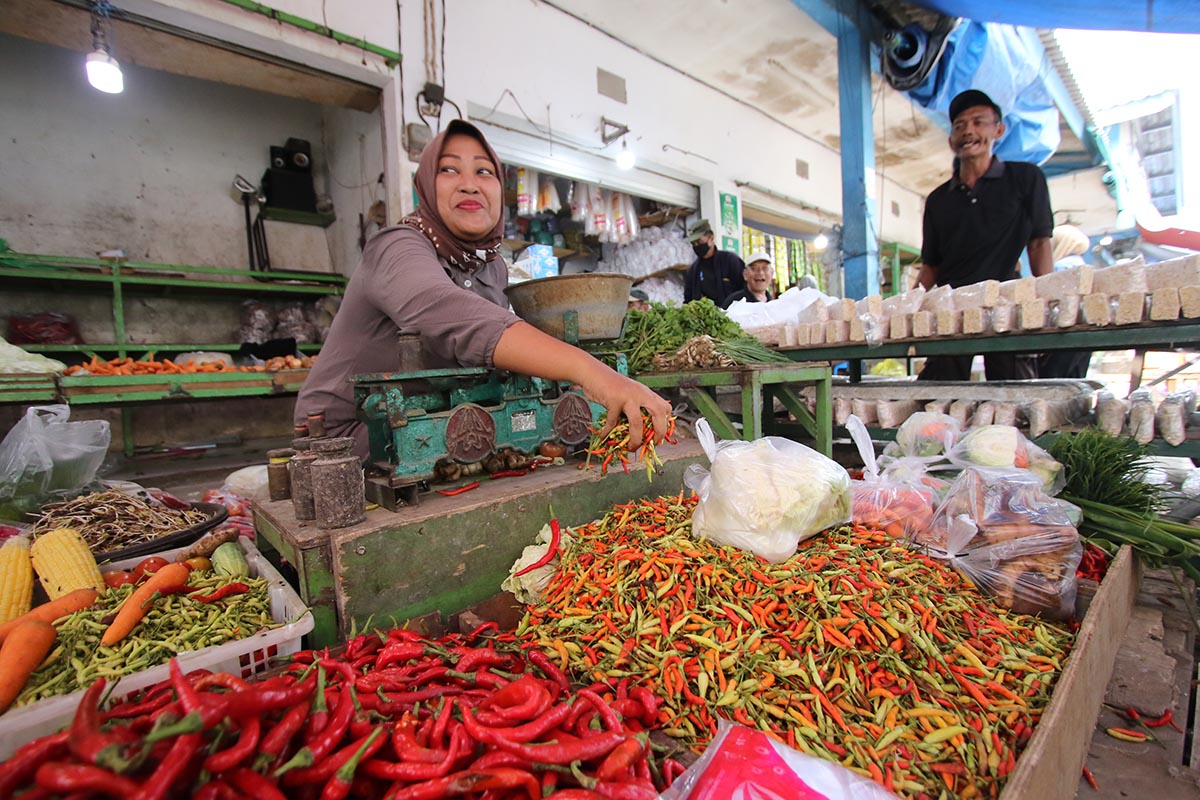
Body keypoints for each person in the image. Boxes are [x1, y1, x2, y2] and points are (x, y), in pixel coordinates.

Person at [294, 119, 671, 460]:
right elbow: (450, 314)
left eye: (484, 171)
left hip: (435, 427)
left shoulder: (491, 266)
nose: (469, 183)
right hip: (347, 441)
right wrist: (594, 373)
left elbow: (490, 354)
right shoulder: (396, 247)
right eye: (448, 169)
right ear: (426, 185)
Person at [915, 89, 1054, 382]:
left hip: (1005, 302)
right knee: (938, 395)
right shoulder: (938, 200)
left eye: (979, 122)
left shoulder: (1025, 179)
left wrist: (1048, 301)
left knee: (1013, 397)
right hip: (951, 307)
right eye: (960, 125)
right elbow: (931, 265)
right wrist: (908, 307)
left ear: (998, 130)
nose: (969, 131)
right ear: (951, 140)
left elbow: (1039, 243)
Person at [1039, 225, 1092, 378]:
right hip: (1085, 333)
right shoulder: (1083, 265)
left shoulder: (1062, 267)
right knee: (1075, 381)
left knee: (1052, 383)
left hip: (1065, 335)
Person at [683, 219, 746, 305]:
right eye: (693, 244)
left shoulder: (730, 260)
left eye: (699, 241)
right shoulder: (692, 271)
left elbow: (746, 289)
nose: (696, 246)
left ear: (711, 238)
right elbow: (688, 301)